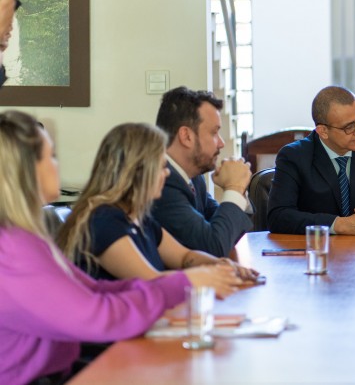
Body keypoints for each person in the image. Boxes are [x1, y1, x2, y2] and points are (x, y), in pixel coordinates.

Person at [0, 111, 192, 384]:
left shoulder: (25, 239)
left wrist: (185, 282)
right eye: (50, 156)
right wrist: (185, 284)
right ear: (26, 170)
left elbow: (93, 290)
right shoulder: (13, 250)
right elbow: (100, 317)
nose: (57, 165)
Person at [57, 123, 258, 292]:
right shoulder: (103, 221)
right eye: (161, 167)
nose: (167, 174)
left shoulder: (138, 217)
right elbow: (151, 282)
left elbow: (184, 256)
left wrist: (220, 265)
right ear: (136, 171)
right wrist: (207, 277)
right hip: (110, 336)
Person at [267, 85, 355, 235]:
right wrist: (338, 224)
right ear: (323, 131)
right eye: (349, 127)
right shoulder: (294, 156)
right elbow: (278, 216)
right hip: (317, 251)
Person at [152, 86, 253, 257]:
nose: (221, 143)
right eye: (214, 133)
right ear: (186, 136)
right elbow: (214, 246)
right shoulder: (162, 183)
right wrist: (234, 188)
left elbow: (225, 230)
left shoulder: (193, 178)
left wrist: (239, 190)